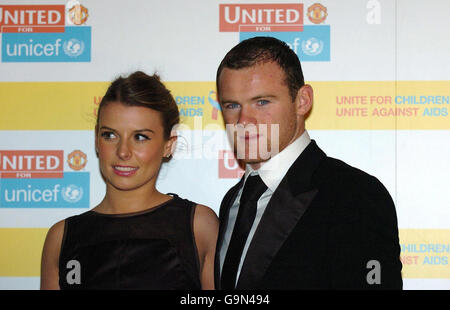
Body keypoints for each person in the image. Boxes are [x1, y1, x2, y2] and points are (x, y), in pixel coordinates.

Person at [214, 37, 403, 289]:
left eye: (262, 102)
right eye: (232, 105)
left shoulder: (355, 195)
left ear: (302, 101)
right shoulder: (233, 200)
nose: (244, 120)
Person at [41, 71, 219, 290]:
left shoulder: (198, 226)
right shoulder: (62, 237)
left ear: (168, 145)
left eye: (140, 137)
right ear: (97, 139)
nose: (123, 151)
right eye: (110, 135)